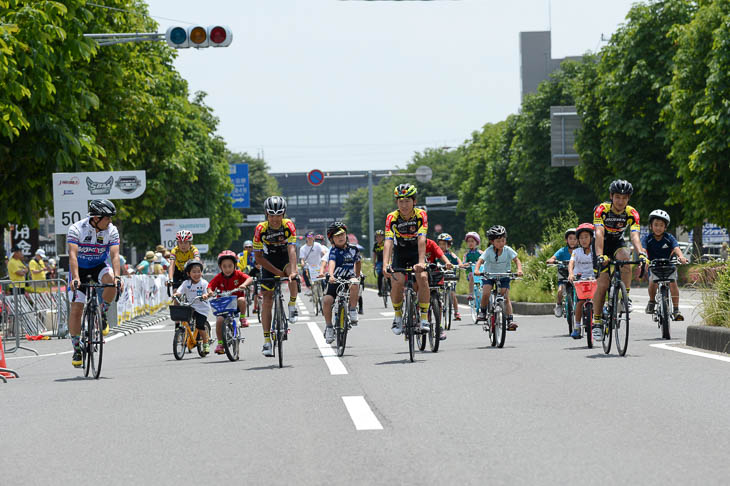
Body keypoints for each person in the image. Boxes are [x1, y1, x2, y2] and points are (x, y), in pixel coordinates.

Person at [67, 199, 122, 368]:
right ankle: (77, 348)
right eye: (107, 218)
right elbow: (73, 255)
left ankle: (102, 313)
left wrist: (118, 277)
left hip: (98, 265)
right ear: (96, 218)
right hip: (79, 269)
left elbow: (114, 256)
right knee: (76, 309)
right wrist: (75, 278)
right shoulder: (76, 229)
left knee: (112, 282)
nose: (110, 221)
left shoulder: (111, 230)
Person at [593, 179, 648, 330]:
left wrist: (641, 254)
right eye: (617, 197)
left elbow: (634, 236)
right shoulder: (602, 209)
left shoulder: (632, 213)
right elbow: (599, 232)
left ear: (628, 199)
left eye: (624, 198)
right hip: (601, 243)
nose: (620, 201)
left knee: (625, 258)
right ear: (611, 196)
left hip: (617, 242)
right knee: (603, 285)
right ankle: (596, 322)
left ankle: (625, 298)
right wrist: (599, 255)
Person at [253, 196, 299, 357]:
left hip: (285, 258)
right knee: (267, 300)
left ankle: (292, 306)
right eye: (271, 215)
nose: (275, 219)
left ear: (284, 214)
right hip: (268, 260)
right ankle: (267, 341)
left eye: (278, 215)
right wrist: (276, 272)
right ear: (266, 214)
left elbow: (292, 249)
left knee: (293, 276)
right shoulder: (260, 229)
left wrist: (292, 271)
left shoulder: (288, 225)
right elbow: (258, 258)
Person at [382, 183, 431, 335]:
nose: (404, 205)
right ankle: (397, 316)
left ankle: (424, 318)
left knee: (422, 278)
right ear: (397, 202)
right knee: (397, 281)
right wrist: (385, 264)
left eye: (407, 201)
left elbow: (422, 239)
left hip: (417, 250)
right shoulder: (392, 217)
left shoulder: (421, 214)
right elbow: (389, 241)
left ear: (414, 201)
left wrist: (421, 261)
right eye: (400, 201)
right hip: (401, 252)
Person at [642, 210, 688, 321]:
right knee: (652, 282)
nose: (658, 228)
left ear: (665, 227)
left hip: (668, 265)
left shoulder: (669, 238)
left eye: (661, 225)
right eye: (656, 225)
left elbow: (676, 248)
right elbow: (643, 250)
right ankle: (652, 301)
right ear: (651, 226)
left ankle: (676, 310)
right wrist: (643, 259)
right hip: (653, 265)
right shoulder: (647, 238)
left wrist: (681, 257)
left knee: (673, 283)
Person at [474, 225, 523, 330]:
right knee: (486, 292)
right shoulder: (489, 251)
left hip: (504, 275)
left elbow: (517, 260)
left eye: (503, 240)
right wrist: (477, 270)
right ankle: (482, 312)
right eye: (498, 241)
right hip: (489, 275)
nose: (501, 243)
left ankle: (510, 320)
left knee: (505, 297)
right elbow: (480, 261)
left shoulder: (508, 250)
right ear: (492, 242)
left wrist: (519, 270)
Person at [321, 222, 362, 344]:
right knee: (327, 300)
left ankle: (353, 310)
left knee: (355, 283)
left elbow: (358, 262)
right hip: (336, 279)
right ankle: (329, 327)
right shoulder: (333, 251)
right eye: (337, 235)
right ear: (332, 239)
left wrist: (358, 275)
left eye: (342, 234)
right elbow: (332, 262)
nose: (340, 237)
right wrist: (331, 275)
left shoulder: (354, 249)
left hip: (349, 277)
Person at [206, 251, 253, 355]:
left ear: (235, 265)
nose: (227, 269)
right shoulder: (218, 277)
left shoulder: (238, 274)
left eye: (230, 266)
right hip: (223, 305)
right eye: (224, 266)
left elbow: (250, 278)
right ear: (220, 267)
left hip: (236, 303)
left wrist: (244, 285)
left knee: (242, 300)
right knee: (219, 320)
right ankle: (220, 344)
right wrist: (210, 292)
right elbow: (210, 286)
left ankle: (243, 318)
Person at [173, 259, 211, 355]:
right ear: (188, 273)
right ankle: (186, 334)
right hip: (191, 306)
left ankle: (206, 343)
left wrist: (205, 295)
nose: (197, 274)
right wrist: (176, 294)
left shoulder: (204, 283)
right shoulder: (186, 283)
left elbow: (208, 291)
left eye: (199, 271)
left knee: (200, 325)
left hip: (202, 308)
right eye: (194, 272)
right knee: (184, 319)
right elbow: (179, 291)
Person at [568, 223, 597, 339]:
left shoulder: (596, 251)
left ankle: (597, 320)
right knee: (580, 302)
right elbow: (571, 263)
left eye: (586, 237)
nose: (584, 240)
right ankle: (577, 326)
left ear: (592, 238)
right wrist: (571, 273)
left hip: (594, 279)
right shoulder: (576, 252)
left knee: (597, 299)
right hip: (580, 280)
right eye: (581, 238)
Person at [424, 237, 453, 340]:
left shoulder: (430, 243)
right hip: (419, 273)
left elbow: (440, 254)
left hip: (432, 273)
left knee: (437, 299)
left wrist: (447, 262)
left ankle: (438, 326)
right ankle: (416, 318)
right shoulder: (412, 243)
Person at [546, 228, 578, 318]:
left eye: (575, 239)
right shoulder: (562, 250)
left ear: (578, 240)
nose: (572, 241)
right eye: (570, 238)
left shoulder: (580, 251)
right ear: (566, 240)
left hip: (576, 274)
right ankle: (559, 304)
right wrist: (551, 260)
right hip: (563, 273)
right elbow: (553, 258)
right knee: (560, 290)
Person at [437, 233, 463, 321]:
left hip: (450, 277)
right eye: (440, 244)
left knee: (452, 294)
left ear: (449, 245)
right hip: (440, 276)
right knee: (438, 295)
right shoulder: (437, 254)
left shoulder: (451, 254)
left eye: (444, 244)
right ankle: (438, 314)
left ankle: (456, 312)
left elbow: (458, 259)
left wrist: (460, 265)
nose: (441, 246)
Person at [463, 232, 482, 302]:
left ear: (476, 242)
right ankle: (471, 293)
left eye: (472, 241)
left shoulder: (480, 253)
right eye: (468, 241)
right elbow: (463, 263)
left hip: (480, 272)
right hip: (470, 272)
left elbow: (485, 260)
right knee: (471, 275)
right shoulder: (466, 254)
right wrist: (467, 264)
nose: (470, 243)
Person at [372, 230, 386, 296]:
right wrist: (374, 264)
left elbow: (391, 252)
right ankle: (380, 290)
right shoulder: (375, 245)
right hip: (379, 262)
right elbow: (374, 254)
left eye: (380, 236)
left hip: (387, 261)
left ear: (383, 237)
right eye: (377, 237)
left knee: (388, 275)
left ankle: (391, 288)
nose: (379, 238)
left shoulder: (386, 243)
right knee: (380, 276)